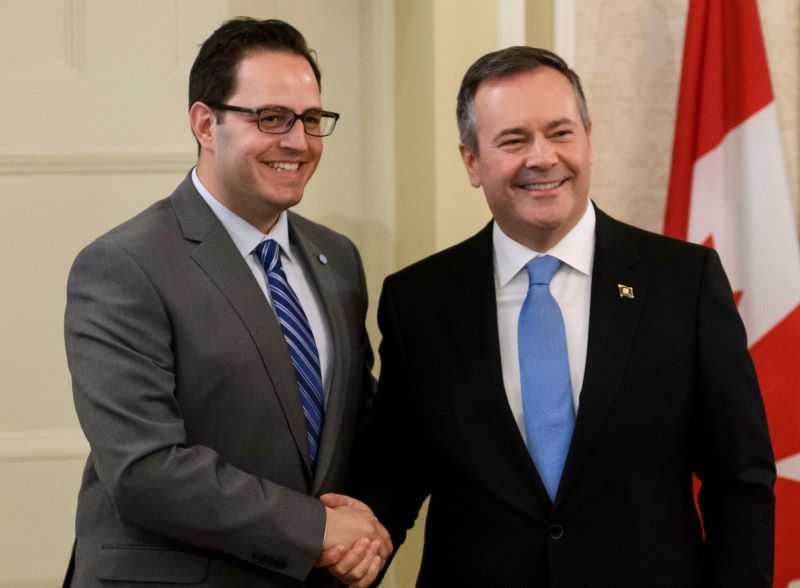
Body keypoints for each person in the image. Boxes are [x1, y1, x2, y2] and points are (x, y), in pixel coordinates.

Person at [352, 46, 775, 586]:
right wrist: (341, 546)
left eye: (560, 132)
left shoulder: (682, 283)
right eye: (512, 140)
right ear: (471, 161)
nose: (542, 157)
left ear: (589, 140)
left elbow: (740, 480)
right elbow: (394, 473)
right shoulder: (419, 301)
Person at [63, 17, 390, 587]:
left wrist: (365, 527)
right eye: (271, 118)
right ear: (205, 124)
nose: (298, 141)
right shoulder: (122, 266)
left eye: (312, 120)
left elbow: (355, 430)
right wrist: (315, 530)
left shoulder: (337, 260)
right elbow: (144, 469)